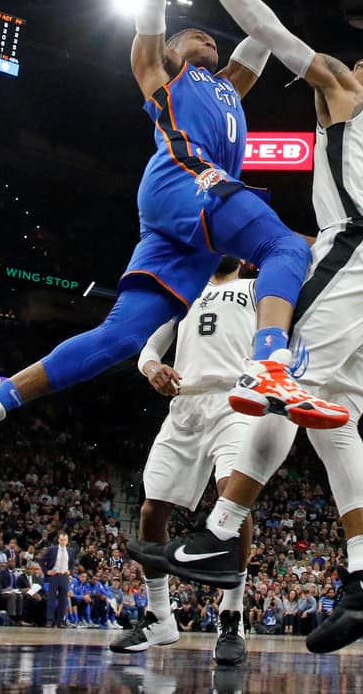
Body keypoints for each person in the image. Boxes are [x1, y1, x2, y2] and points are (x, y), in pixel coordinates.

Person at [0, 0, 339, 471]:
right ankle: (268, 365)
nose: (207, 39)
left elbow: (264, 30)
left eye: (211, 38)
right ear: (170, 50)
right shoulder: (160, 73)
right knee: (285, 247)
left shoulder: (230, 86)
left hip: (188, 223)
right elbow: (152, 7)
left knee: (120, 338)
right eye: (195, 37)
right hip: (183, 182)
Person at [130, 0, 363, 655]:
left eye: (360, 65)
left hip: (354, 247)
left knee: (279, 382)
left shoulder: (354, 95)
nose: (343, 70)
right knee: (335, 418)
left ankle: (221, 530)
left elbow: (276, 41)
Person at [110, 256, 256, 665]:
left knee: (234, 499)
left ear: (244, 256)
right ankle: (160, 617)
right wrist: (153, 368)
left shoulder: (257, 288)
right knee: (152, 510)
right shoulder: (183, 293)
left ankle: (232, 616)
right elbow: (150, 347)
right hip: (185, 404)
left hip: (236, 401)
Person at [40, 531, 77, 629]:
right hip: (54, 576)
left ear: (67, 541)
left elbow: (73, 563)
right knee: (51, 599)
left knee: (63, 600)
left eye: (64, 540)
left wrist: (70, 571)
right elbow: (42, 560)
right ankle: (50, 620)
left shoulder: (71, 551)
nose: (63, 542)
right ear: (58, 540)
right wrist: (47, 571)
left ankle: (60, 621)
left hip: (64, 576)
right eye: (61, 540)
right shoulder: (52, 549)